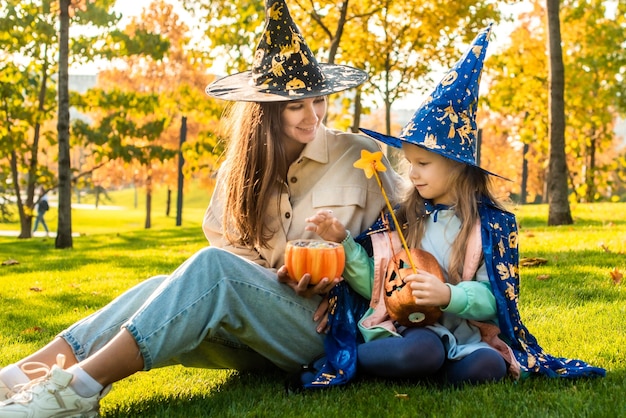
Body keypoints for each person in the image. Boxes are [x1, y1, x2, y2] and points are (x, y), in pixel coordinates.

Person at [0, 1, 402, 415]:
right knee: (158, 285)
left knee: (211, 268)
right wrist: (275, 277)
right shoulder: (239, 172)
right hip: (258, 328)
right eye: (295, 105)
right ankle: (15, 379)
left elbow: (408, 241)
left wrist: (345, 288)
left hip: (329, 329)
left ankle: (78, 390)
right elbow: (232, 264)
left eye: (317, 100)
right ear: (265, 110)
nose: (313, 116)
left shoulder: (361, 156)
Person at [297, 25, 606, 389]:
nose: (412, 174)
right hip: (406, 330)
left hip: (463, 333)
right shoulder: (404, 218)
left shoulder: (487, 227)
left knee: (489, 363)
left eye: (423, 164)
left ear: (457, 164)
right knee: (423, 349)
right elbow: (377, 284)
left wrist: (449, 296)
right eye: (409, 163)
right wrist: (344, 242)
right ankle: (349, 361)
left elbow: (493, 299)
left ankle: (438, 368)